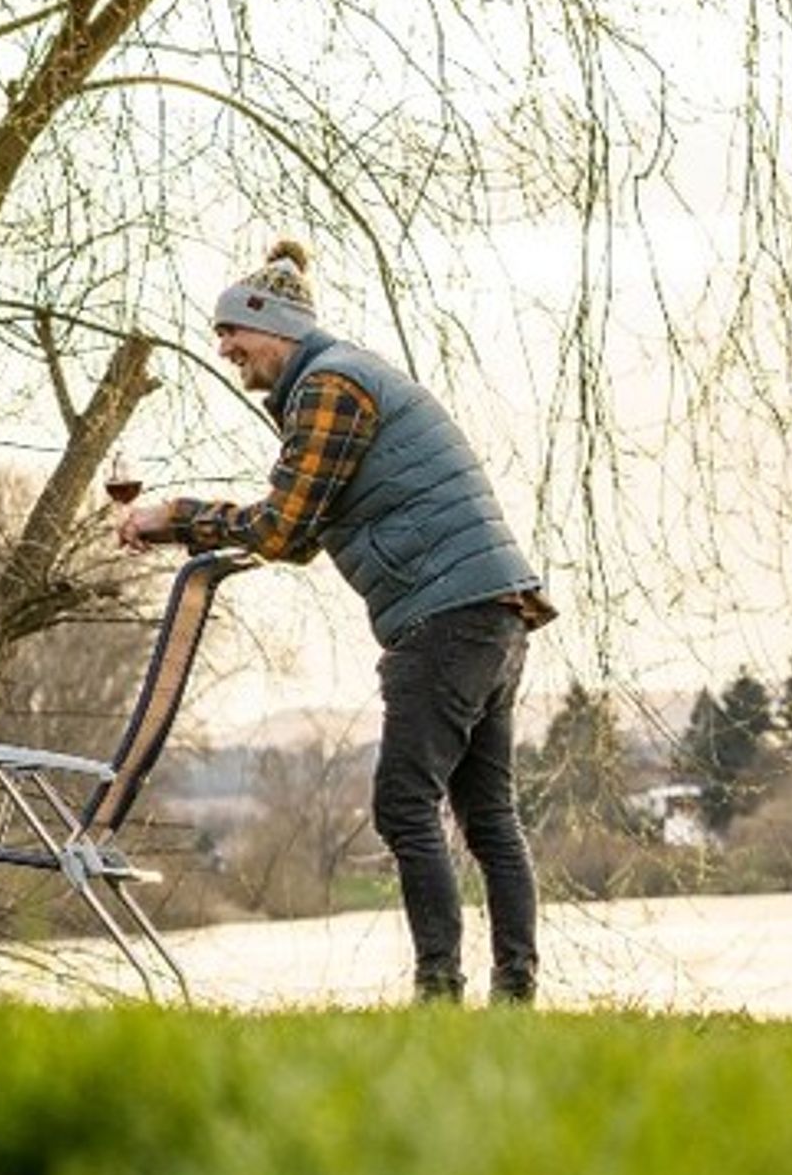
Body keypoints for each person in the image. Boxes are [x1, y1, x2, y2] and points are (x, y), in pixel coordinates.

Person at [116, 239, 556, 1005]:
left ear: (276, 328)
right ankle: (515, 995)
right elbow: (306, 534)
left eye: (232, 333)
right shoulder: (340, 381)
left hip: (446, 615)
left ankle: (438, 992)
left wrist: (174, 515)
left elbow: (284, 531)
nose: (223, 349)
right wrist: (186, 526)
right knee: (488, 815)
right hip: (496, 609)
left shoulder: (328, 388)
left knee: (404, 804)